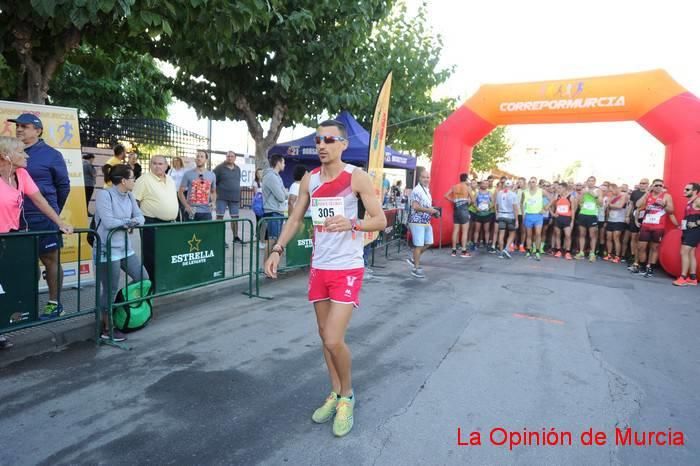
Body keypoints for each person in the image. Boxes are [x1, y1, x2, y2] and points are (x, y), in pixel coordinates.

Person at [264, 119, 386, 438]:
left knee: (334, 338)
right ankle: (334, 392)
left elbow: (381, 220)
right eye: (318, 140)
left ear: (343, 144)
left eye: (329, 139)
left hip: (347, 267)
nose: (321, 145)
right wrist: (277, 249)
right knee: (323, 336)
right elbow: (294, 218)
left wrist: (353, 224)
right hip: (320, 267)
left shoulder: (356, 177)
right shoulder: (311, 180)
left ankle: (347, 396)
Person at [0, 136, 73, 349]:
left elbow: (40, 201)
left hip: (12, 239)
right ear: (6, 156)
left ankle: (3, 328)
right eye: (21, 152)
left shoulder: (21, 174)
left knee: (6, 285)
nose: (27, 155)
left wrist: (60, 222)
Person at [11, 113, 71, 319]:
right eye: (18, 126)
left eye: (25, 126)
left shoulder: (52, 154)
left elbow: (63, 187)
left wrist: (54, 213)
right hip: (16, 218)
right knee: (21, 263)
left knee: (50, 260)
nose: (19, 129)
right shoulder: (9, 152)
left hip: (43, 217)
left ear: (38, 130)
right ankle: (24, 306)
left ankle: (55, 304)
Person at [93, 164, 147, 342]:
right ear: (123, 181)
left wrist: (127, 222)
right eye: (133, 178)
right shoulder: (104, 194)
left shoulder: (130, 195)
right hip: (107, 250)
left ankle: (116, 305)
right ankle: (107, 328)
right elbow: (109, 222)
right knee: (109, 289)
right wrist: (130, 222)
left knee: (143, 278)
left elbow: (141, 218)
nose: (135, 181)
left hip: (125, 248)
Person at [133, 156, 178, 287]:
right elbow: (135, 201)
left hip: (169, 224)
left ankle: (164, 282)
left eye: (160, 163)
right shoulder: (143, 180)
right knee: (151, 256)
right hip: (151, 222)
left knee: (167, 254)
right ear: (150, 165)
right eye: (154, 163)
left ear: (166, 165)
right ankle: (151, 285)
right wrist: (135, 220)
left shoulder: (170, 179)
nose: (157, 166)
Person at [629, 179, 678, 277]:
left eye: (661, 185)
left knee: (654, 247)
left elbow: (671, 210)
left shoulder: (666, 196)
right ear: (652, 186)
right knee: (641, 246)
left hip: (658, 226)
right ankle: (642, 266)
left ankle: (650, 267)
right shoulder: (648, 195)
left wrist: (664, 205)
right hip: (646, 225)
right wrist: (647, 193)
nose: (659, 187)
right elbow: (637, 205)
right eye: (656, 185)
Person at [407, 170, 438, 278]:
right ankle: (415, 268)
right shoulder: (417, 190)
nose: (426, 179)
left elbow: (425, 206)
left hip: (425, 221)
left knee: (429, 242)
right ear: (419, 178)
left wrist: (432, 210)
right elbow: (415, 206)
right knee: (419, 245)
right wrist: (430, 211)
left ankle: (413, 258)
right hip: (416, 221)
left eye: (428, 177)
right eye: (424, 177)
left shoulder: (426, 190)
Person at [673, 182, 700, 286]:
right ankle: (693, 278)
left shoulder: (698, 201)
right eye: (685, 189)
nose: (684, 191)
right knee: (691, 253)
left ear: (695, 191)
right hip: (688, 230)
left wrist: (697, 223)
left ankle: (683, 277)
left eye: (687, 189)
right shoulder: (690, 202)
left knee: (684, 252)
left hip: (695, 231)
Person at [179, 150, 216, 221]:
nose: (199, 158)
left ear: (206, 160)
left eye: (202, 157)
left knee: (205, 232)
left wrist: (213, 202)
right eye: (197, 156)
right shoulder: (188, 174)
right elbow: (180, 193)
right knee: (190, 232)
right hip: (191, 211)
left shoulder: (212, 175)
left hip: (206, 212)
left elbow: (213, 191)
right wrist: (187, 206)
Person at [213, 151, 242, 243]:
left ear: (235, 158)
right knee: (220, 217)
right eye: (228, 156)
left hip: (234, 198)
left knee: (235, 218)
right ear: (226, 157)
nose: (230, 158)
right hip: (221, 197)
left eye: (232, 156)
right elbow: (213, 181)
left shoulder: (238, 168)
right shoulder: (219, 168)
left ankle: (235, 237)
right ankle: (219, 238)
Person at [261, 154, 287, 248]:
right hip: (273, 212)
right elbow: (281, 196)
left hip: (277, 211)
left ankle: (272, 263)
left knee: (276, 242)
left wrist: (284, 194)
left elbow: (284, 194)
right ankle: (266, 263)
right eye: (283, 162)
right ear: (278, 163)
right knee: (272, 241)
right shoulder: (271, 176)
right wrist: (284, 193)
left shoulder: (277, 176)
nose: (285, 165)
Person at [444, 173, 472, 257]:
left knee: (455, 230)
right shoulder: (467, 187)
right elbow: (473, 200)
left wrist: (454, 200)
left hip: (456, 210)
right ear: (466, 179)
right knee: (464, 231)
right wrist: (468, 202)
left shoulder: (454, 187)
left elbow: (445, 195)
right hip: (464, 210)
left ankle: (454, 251)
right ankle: (464, 251)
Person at [575, 176, 602, 262]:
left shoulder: (598, 190)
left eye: (592, 181)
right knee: (582, 234)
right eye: (589, 181)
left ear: (595, 182)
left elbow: (600, 203)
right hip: (583, 214)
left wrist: (592, 194)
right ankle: (581, 252)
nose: (590, 182)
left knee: (592, 235)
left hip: (592, 215)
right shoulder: (584, 190)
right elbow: (579, 201)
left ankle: (592, 253)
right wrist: (582, 194)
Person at [522, 177, 547, 260]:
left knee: (538, 234)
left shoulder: (541, 191)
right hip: (528, 215)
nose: (532, 183)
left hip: (538, 216)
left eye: (534, 182)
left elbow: (552, 199)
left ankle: (537, 251)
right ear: (529, 183)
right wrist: (523, 214)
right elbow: (521, 203)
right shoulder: (525, 192)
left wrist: (544, 209)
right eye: (531, 182)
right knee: (529, 235)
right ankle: (528, 251)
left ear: (536, 183)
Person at [551, 182, 576, 259]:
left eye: (559, 188)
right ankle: (558, 250)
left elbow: (573, 210)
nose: (558, 190)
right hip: (558, 218)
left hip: (567, 218)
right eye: (557, 188)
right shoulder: (557, 196)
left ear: (564, 188)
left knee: (567, 235)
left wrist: (572, 221)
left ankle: (567, 252)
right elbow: (551, 206)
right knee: (557, 235)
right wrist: (552, 214)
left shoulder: (571, 197)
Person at [626, 178, 649, 263]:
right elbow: (631, 205)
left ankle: (640, 258)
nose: (642, 184)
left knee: (642, 239)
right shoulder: (635, 192)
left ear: (648, 184)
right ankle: (633, 255)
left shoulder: (650, 193)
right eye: (641, 183)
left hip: (645, 217)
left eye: (644, 183)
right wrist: (627, 216)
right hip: (634, 216)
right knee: (633, 237)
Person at [495, 180, 520, 258]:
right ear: (511, 186)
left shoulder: (499, 193)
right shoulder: (513, 194)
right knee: (512, 233)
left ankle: (501, 252)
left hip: (501, 215)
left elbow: (497, 205)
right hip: (510, 216)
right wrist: (516, 220)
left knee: (501, 234)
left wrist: (498, 213)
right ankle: (506, 248)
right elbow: (515, 208)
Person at [604, 184, 628, 263]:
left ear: (616, 188)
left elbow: (620, 206)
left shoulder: (623, 195)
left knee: (616, 238)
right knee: (608, 237)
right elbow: (607, 208)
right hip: (611, 219)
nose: (610, 192)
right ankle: (609, 254)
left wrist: (610, 205)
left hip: (619, 220)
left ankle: (617, 256)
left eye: (611, 190)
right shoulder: (611, 197)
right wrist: (606, 220)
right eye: (609, 190)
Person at [472, 180, 495, 251]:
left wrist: (489, 207)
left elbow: (494, 202)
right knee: (477, 230)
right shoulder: (477, 193)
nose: (485, 185)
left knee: (487, 230)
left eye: (487, 184)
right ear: (481, 184)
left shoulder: (490, 193)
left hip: (487, 214)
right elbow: (473, 201)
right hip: (478, 214)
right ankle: (475, 244)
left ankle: (487, 244)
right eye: (484, 183)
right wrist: (476, 208)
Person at [168, 156, 187, 221]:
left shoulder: (184, 170)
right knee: (176, 207)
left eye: (178, 161)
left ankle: (184, 221)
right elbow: (168, 180)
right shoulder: (170, 170)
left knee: (183, 207)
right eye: (175, 161)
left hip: (183, 191)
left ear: (180, 162)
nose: (176, 162)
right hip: (174, 191)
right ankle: (177, 221)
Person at [253, 168, 265, 249]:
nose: (260, 174)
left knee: (263, 222)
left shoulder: (265, 182)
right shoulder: (255, 183)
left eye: (261, 173)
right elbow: (256, 194)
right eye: (258, 173)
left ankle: (262, 238)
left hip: (265, 205)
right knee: (259, 221)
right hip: (258, 205)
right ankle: (258, 237)